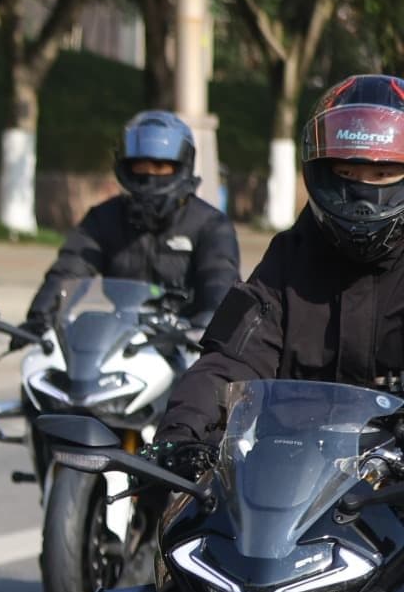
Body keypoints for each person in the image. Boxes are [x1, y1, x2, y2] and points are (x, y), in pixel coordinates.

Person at [153, 75, 404, 473]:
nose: (363, 195)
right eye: (347, 174)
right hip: (289, 482)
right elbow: (230, 359)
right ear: (321, 172)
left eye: (382, 175)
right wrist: (182, 434)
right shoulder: (289, 257)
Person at [24, 109, 241, 338]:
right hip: (118, 339)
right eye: (140, 166)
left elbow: (220, 280)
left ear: (182, 165)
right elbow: (70, 268)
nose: (149, 176)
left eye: (160, 167)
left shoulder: (211, 224)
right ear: (125, 166)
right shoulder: (103, 218)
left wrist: (214, 324)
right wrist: (41, 316)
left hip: (188, 344)